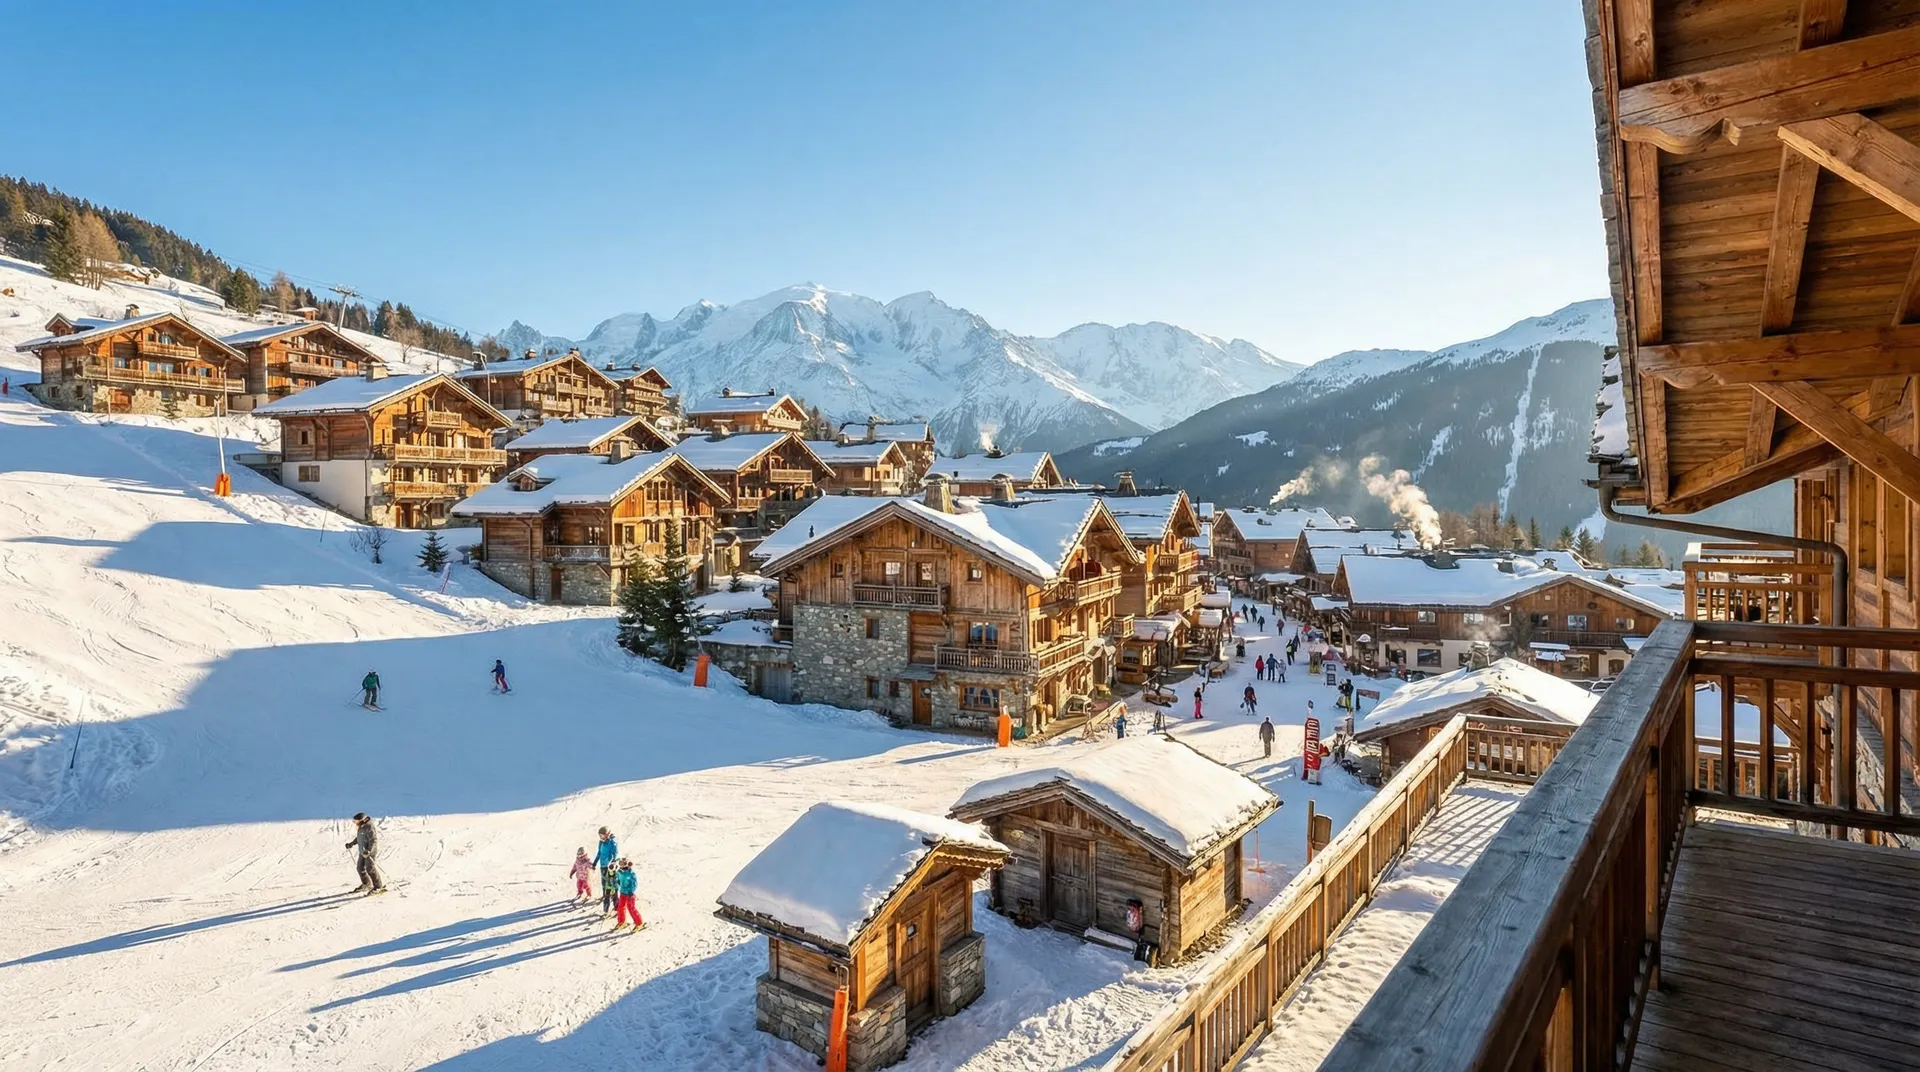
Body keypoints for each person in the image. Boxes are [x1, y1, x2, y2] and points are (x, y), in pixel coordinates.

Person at [346, 812, 384, 894]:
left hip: (370, 852)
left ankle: (378, 886)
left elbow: (373, 840)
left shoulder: (369, 826)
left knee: (370, 869)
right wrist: (351, 844)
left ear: (362, 820)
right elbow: (359, 838)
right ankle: (366, 884)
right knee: (360, 868)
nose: (355, 823)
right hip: (362, 851)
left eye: (356, 821)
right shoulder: (361, 827)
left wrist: (369, 851)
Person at [612, 858, 644, 933]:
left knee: (631, 908)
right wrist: (616, 882)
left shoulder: (631, 873)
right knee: (621, 907)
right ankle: (622, 922)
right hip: (622, 892)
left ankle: (639, 923)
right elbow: (617, 879)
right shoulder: (619, 872)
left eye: (622, 864)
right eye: (620, 864)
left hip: (630, 894)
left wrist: (631, 891)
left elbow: (634, 884)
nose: (620, 866)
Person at [594, 827, 619, 915]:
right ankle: (605, 894)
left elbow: (615, 853)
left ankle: (616, 904)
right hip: (602, 865)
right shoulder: (601, 842)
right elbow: (599, 853)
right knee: (604, 882)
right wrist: (594, 863)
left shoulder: (612, 842)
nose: (601, 837)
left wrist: (613, 861)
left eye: (602, 835)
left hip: (609, 866)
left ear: (607, 834)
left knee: (611, 883)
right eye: (600, 836)